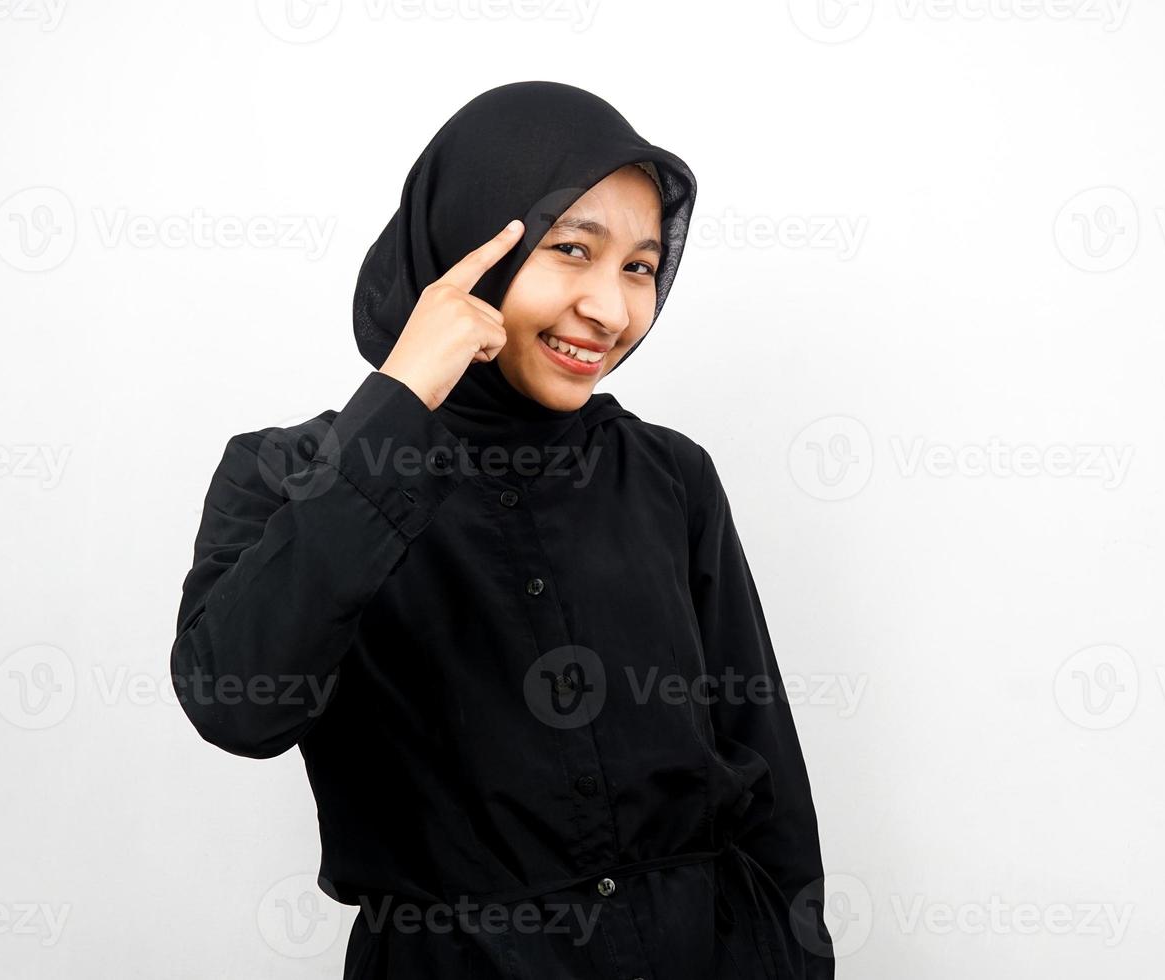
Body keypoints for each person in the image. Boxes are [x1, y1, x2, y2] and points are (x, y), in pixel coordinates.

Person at [170, 79, 835, 979]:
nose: (611, 310)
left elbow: (767, 777)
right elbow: (236, 702)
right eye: (572, 250)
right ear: (465, 249)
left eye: (639, 267)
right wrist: (399, 405)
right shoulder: (287, 474)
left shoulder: (671, 477)